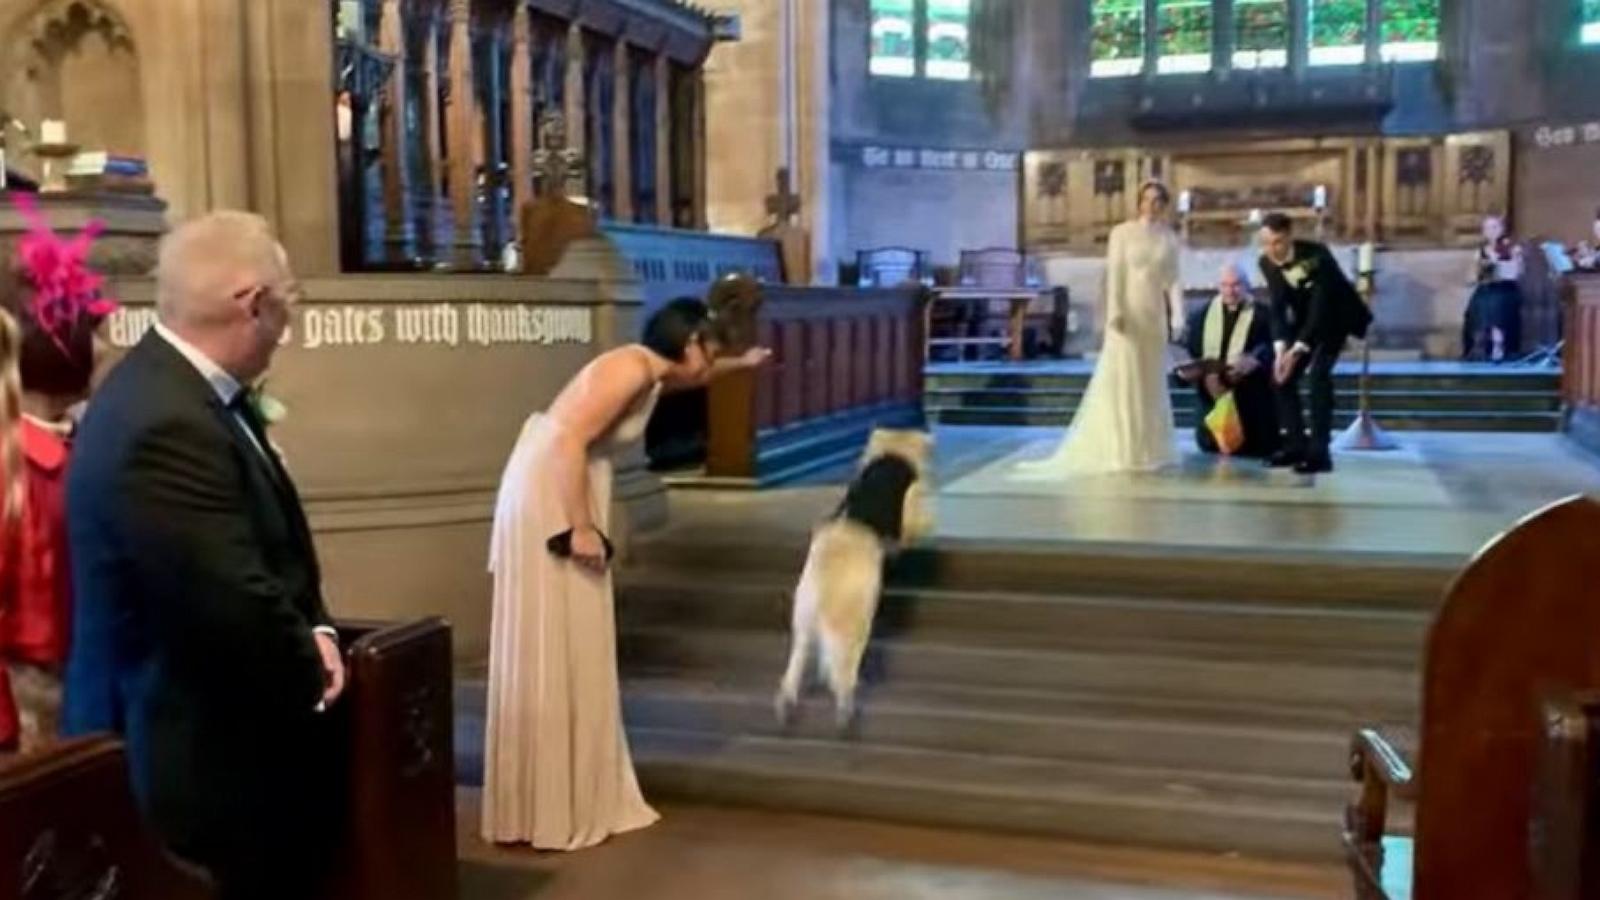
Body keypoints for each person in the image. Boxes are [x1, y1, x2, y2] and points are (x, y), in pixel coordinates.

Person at [63, 212, 345, 900]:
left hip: (211, 732)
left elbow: (268, 546)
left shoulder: (187, 395)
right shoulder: (165, 419)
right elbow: (225, 591)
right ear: (254, 305)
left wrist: (321, 625)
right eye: (288, 304)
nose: (288, 326)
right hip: (191, 753)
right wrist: (311, 662)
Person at [481, 297, 769, 851]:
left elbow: (689, 382)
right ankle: (550, 802)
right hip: (552, 490)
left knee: (573, 636)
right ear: (689, 344)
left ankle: (562, 794)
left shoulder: (651, 372)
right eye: (712, 349)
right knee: (556, 635)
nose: (713, 360)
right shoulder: (630, 366)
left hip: (561, 483)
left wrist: (743, 363)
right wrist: (582, 527)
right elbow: (567, 439)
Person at [0, 197, 115, 756]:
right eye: (94, 333)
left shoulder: (63, 450)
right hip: (32, 695)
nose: (105, 348)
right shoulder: (29, 464)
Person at [1024, 180, 1185, 475]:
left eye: (1158, 201)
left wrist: (1178, 315)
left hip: (1153, 316)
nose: (1151, 205)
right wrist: (1115, 313)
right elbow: (1116, 274)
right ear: (1139, 202)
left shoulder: (1168, 238)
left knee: (1150, 384)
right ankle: (1123, 448)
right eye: (1146, 199)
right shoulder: (1122, 234)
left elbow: (1172, 279)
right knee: (1125, 380)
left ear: (1164, 205)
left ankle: (1149, 448)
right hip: (1128, 313)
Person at [1257, 213, 1373, 475]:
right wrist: (1280, 352)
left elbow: (1321, 310)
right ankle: (1295, 446)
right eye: (1265, 242)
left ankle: (1320, 454)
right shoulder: (1265, 262)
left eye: (1277, 242)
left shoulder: (1317, 255)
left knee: (1318, 377)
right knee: (1281, 379)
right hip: (1304, 320)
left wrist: (1297, 350)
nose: (1271, 249)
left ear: (1289, 236)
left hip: (1335, 319)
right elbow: (1277, 307)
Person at [1178, 262, 1279, 458]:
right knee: (1210, 447)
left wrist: (1255, 360)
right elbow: (1189, 353)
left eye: (1236, 285)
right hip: (1212, 396)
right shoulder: (1201, 316)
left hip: (1249, 398)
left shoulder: (1263, 315)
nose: (1230, 291)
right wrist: (1192, 370)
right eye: (1225, 285)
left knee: (1253, 445)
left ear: (1247, 286)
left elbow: (1273, 347)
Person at [1461, 215, 1523, 362]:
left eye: (1495, 227)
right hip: (1486, 289)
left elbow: (1518, 273)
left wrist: (1506, 264)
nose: (1492, 231)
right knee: (1480, 302)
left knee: (1496, 303)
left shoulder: (1512, 249)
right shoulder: (1480, 252)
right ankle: (1484, 343)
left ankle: (1498, 342)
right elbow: (1470, 278)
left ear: (1501, 229)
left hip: (1506, 289)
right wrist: (1480, 271)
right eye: (1488, 228)